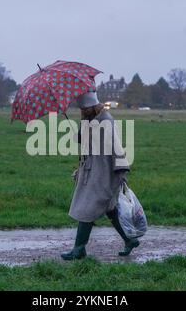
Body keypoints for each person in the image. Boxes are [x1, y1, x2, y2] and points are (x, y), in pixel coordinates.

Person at [61, 90, 140, 260]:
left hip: (104, 174)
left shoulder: (106, 121)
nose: (82, 111)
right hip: (92, 171)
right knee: (110, 210)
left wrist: (121, 173)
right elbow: (87, 141)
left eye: (84, 108)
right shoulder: (90, 120)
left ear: (92, 106)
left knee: (86, 208)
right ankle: (130, 240)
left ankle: (79, 248)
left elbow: (116, 148)